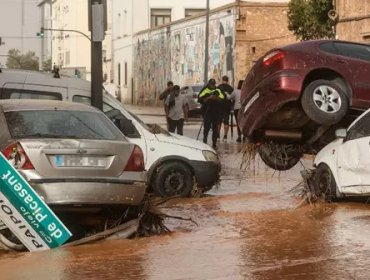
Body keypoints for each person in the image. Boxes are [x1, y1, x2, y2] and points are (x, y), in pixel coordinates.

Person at [198, 79, 226, 149]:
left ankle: (214, 144)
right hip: (207, 112)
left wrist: (217, 98)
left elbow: (223, 99)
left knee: (215, 129)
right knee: (206, 128)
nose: (212, 86)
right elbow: (200, 99)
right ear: (209, 84)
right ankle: (205, 141)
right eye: (211, 84)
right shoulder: (205, 90)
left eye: (213, 84)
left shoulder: (218, 90)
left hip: (216, 112)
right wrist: (208, 98)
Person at [217, 75, 234, 141]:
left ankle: (218, 135)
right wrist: (232, 107)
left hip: (219, 106)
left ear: (222, 80)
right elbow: (232, 98)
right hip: (227, 107)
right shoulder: (230, 88)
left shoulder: (219, 87)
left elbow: (216, 96)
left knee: (218, 122)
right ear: (228, 80)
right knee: (226, 122)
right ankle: (225, 136)